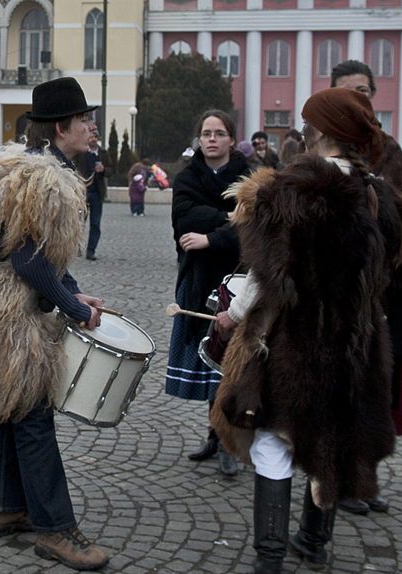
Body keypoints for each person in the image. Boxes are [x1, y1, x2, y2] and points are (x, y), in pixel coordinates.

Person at [210, 87, 402, 574]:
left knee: (276, 440)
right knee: (330, 438)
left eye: (306, 124)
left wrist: (233, 316)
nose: (302, 131)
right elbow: (393, 265)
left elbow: (266, 278)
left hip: (295, 344)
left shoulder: (291, 188)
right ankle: (314, 543)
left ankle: (271, 558)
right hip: (355, 344)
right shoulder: (380, 196)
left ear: (321, 132)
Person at [0, 76, 109, 571]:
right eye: (85, 120)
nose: (91, 127)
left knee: (12, 407)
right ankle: (55, 528)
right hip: (14, 311)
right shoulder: (45, 177)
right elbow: (28, 261)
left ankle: (5, 510)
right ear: (61, 127)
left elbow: (33, 251)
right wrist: (74, 306)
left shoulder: (27, 169)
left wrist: (70, 286)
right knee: (35, 414)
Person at [330, 59, 402, 515]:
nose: (362, 99)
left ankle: (362, 478)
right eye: (352, 91)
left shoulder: (385, 147)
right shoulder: (320, 148)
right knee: (338, 385)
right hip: (338, 291)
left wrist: (380, 211)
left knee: (378, 387)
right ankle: (333, 479)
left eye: (367, 90)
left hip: (387, 288)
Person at [165, 109, 250, 477]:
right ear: (199, 139)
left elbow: (255, 228)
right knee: (211, 360)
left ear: (231, 138)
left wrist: (212, 237)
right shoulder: (188, 176)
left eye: (219, 133)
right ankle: (215, 435)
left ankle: (230, 439)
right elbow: (184, 220)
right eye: (205, 133)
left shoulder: (249, 176)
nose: (211, 139)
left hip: (240, 281)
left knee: (234, 363)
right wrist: (228, 218)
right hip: (199, 280)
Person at [75, 127, 113, 260]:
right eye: (91, 137)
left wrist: (103, 170)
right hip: (83, 192)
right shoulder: (81, 152)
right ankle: (77, 247)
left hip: (97, 192)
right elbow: (73, 166)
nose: (93, 139)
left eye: (95, 137)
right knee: (79, 222)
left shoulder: (102, 153)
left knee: (95, 223)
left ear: (98, 139)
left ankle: (91, 250)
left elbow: (110, 169)